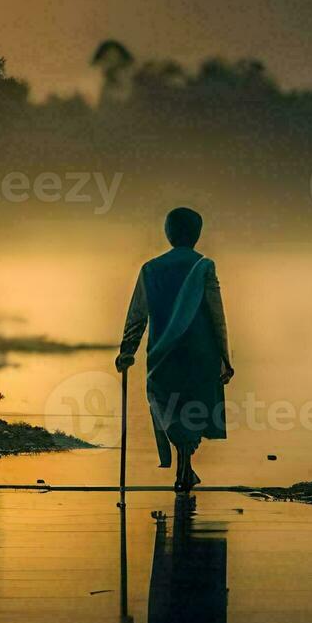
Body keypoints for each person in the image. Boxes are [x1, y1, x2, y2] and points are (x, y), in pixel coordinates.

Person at [117, 207, 235, 492]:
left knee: (168, 407)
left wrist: (127, 350)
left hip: (162, 353)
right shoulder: (204, 266)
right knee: (192, 409)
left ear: (168, 234)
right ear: (197, 235)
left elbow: (137, 315)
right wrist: (224, 357)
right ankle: (185, 468)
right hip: (199, 353)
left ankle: (184, 468)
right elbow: (216, 315)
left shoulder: (151, 268)